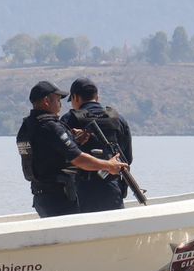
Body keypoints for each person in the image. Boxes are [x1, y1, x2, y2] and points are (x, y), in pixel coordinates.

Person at [16, 81, 124, 218]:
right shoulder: (50, 127)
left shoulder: (27, 127)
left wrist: (73, 140)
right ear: (46, 101)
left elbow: (47, 154)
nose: (61, 104)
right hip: (60, 199)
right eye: (58, 99)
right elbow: (79, 159)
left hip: (41, 197)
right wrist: (109, 165)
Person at [61, 77, 134, 212]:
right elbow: (127, 158)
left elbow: (62, 159)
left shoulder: (68, 120)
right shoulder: (118, 119)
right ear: (97, 97)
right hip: (112, 189)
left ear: (75, 97)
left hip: (81, 192)